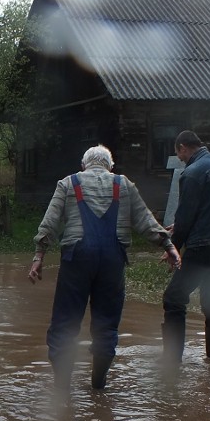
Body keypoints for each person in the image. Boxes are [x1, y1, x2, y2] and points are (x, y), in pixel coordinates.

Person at [29, 145, 181, 391]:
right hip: (112, 261)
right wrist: (169, 245)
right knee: (106, 325)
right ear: (111, 167)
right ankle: (98, 385)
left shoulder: (68, 184)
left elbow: (50, 222)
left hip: (76, 259)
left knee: (65, 323)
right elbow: (145, 221)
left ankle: (61, 389)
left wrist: (39, 256)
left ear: (83, 166)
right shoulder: (124, 185)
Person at [162, 131, 210, 363]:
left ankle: (171, 362)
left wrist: (172, 248)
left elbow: (185, 216)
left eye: (178, 153)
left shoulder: (192, 174)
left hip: (204, 244)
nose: (179, 158)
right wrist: (183, 224)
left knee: (174, 298)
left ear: (183, 147)